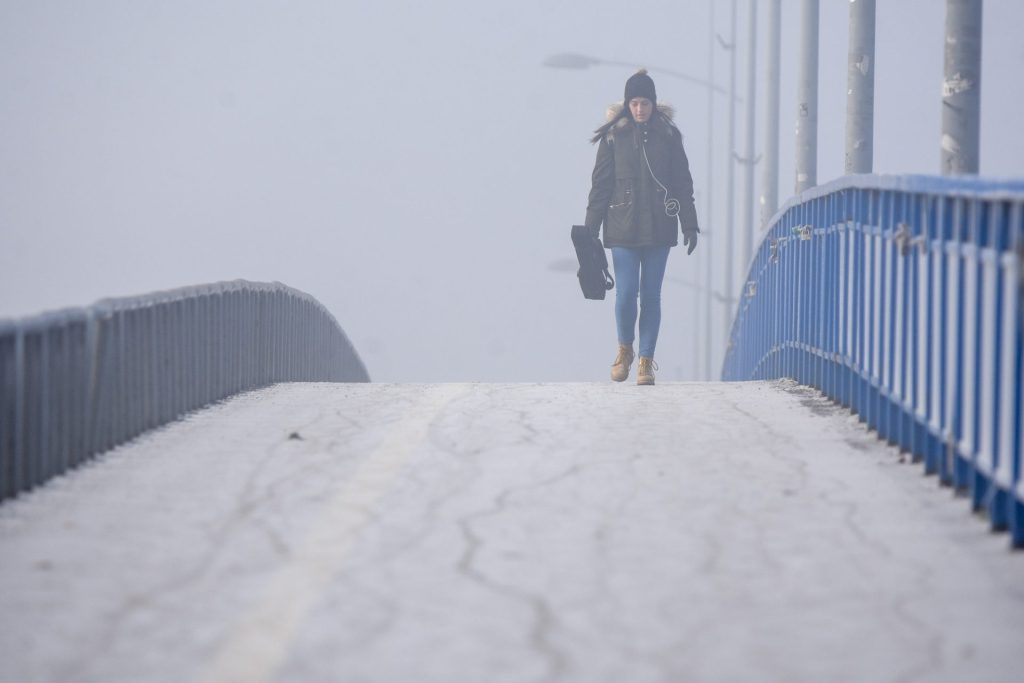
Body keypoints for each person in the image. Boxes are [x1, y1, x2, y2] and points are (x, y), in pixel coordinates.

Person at [584, 69, 700, 386]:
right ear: (627, 104)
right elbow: (600, 186)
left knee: (651, 296)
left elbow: (682, 183)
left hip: (659, 229)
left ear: (653, 103)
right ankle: (625, 350)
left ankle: (646, 361)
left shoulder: (668, 137)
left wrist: (689, 224)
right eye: (634, 103)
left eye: (644, 102)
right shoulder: (613, 137)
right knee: (625, 295)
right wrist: (589, 230)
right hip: (622, 227)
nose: (639, 109)